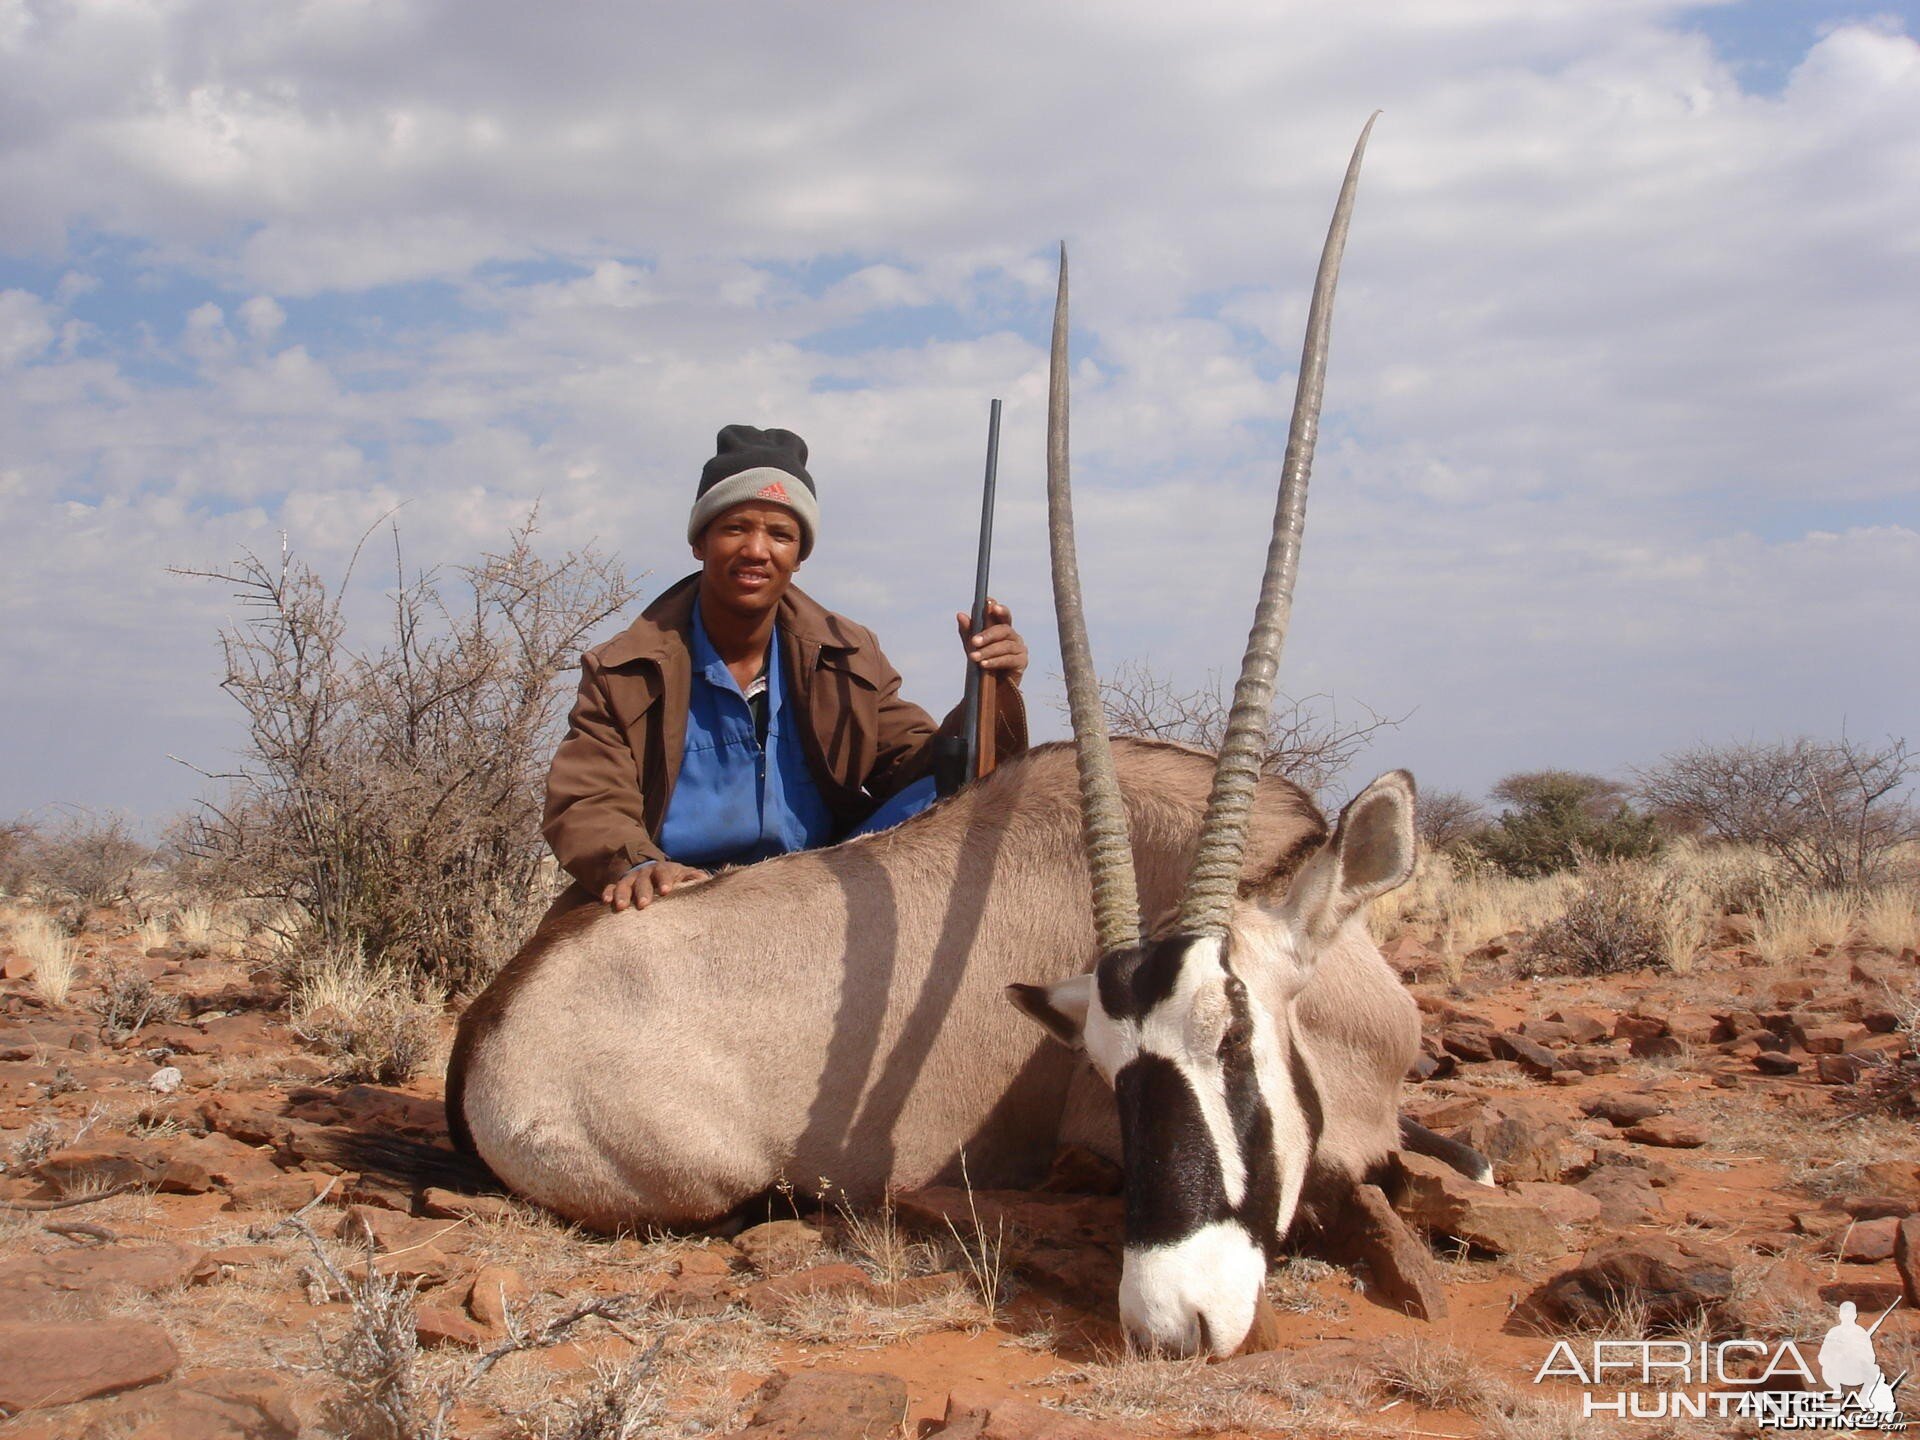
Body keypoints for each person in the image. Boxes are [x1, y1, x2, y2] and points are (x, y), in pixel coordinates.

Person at [543, 424, 1030, 911]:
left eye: (780, 534)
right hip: (679, 890)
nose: (757, 550)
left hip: (815, 886)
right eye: (735, 528)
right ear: (699, 543)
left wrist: (992, 692)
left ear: (799, 555)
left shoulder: (849, 652)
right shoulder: (622, 668)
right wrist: (638, 865)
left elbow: (918, 770)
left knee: (950, 796)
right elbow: (587, 797)